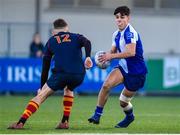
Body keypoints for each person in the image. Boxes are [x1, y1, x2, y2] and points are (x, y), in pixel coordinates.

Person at [8, 18, 93, 129]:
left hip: (61, 74)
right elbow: (87, 42)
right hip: (78, 74)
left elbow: (45, 67)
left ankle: (20, 122)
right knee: (68, 89)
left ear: (54, 32)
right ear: (67, 29)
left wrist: (42, 87)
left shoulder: (51, 41)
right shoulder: (76, 36)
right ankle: (65, 122)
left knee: (41, 96)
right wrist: (87, 57)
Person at [88, 6, 148, 128]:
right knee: (106, 85)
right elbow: (112, 51)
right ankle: (97, 115)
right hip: (123, 67)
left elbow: (131, 52)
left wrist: (111, 56)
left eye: (122, 17)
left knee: (123, 102)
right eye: (117, 17)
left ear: (128, 18)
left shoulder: (130, 33)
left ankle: (130, 117)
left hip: (136, 72)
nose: (119, 20)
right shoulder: (116, 34)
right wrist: (104, 59)